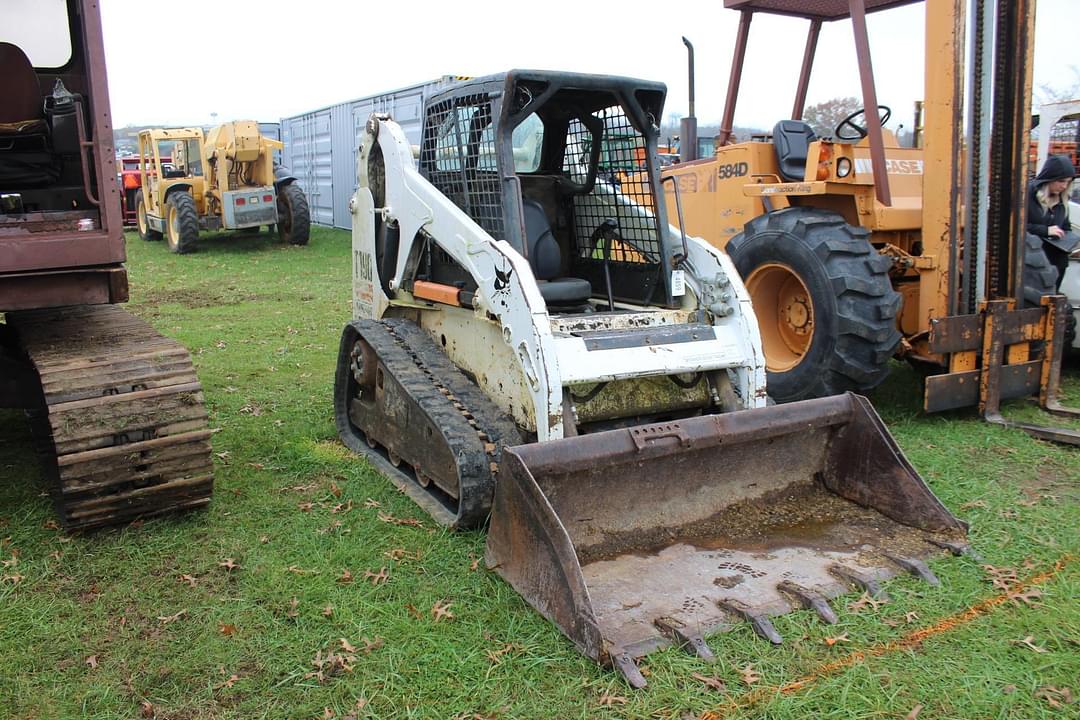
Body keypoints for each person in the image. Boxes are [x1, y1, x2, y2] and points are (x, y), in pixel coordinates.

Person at [1027, 153, 1077, 290]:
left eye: (1068, 182)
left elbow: (1065, 226)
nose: (1064, 186)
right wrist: (1045, 230)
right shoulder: (1028, 195)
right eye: (1061, 181)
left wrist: (1070, 240)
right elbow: (1015, 227)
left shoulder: (1062, 201)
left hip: (1056, 260)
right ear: (1049, 179)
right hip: (1032, 261)